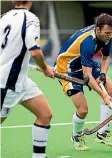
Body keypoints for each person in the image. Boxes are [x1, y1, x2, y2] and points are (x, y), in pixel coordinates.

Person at [54, 13, 112, 151]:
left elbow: (106, 57)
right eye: (107, 33)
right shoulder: (88, 42)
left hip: (85, 64)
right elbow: (87, 76)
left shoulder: (106, 36)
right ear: (98, 30)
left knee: (111, 89)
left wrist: (103, 74)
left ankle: (103, 133)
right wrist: (103, 95)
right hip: (67, 69)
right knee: (83, 110)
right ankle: (77, 136)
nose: (110, 35)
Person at [0, 1, 54, 158]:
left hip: (22, 80)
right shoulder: (31, 19)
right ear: (30, 1)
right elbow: (35, 52)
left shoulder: (4, 17)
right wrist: (45, 68)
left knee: (45, 114)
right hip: (7, 82)